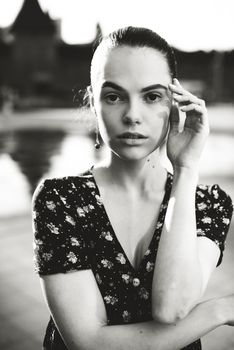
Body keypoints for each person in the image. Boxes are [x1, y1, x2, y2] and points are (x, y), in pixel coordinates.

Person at [32, 26, 233, 350]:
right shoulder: (59, 200)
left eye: (152, 96)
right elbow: (88, 342)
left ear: (174, 104)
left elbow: (171, 308)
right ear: (93, 103)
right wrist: (221, 310)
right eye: (113, 96)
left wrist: (186, 168)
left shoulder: (207, 204)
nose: (132, 116)